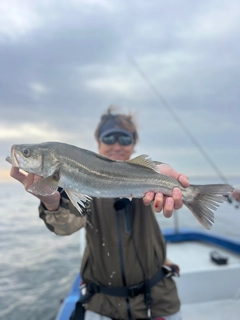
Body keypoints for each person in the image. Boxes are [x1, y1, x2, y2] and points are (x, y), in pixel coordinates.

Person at [10, 107, 190, 320]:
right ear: (98, 142)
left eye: (124, 138)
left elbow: (157, 189)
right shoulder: (72, 186)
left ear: (133, 144)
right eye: (109, 137)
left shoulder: (146, 176)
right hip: (103, 305)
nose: (116, 144)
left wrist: (170, 186)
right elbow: (66, 226)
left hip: (158, 301)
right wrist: (51, 202)